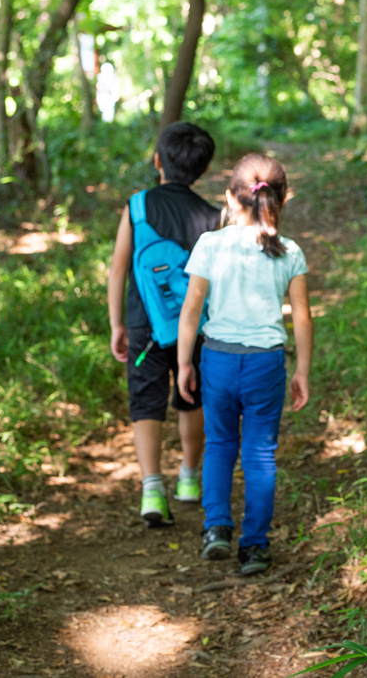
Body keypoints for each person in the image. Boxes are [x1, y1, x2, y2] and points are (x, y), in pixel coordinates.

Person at [176, 154, 313, 575]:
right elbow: (302, 316)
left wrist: (184, 363)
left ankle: (216, 528)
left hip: (217, 358)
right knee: (259, 456)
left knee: (218, 445)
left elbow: (191, 309)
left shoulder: (211, 244)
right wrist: (302, 370)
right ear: (282, 199)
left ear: (230, 199)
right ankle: (254, 546)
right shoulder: (289, 251)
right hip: (265, 365)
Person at [107, 122, 220, 527]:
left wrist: (116, 323)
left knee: (145, 403)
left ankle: (152, 487)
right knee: (193, 397)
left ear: (158, 161)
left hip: (143, 324)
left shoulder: (137, 206)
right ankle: (189, 478)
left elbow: (118, 270)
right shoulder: (212, 215)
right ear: (203, 170)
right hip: (198, 330)